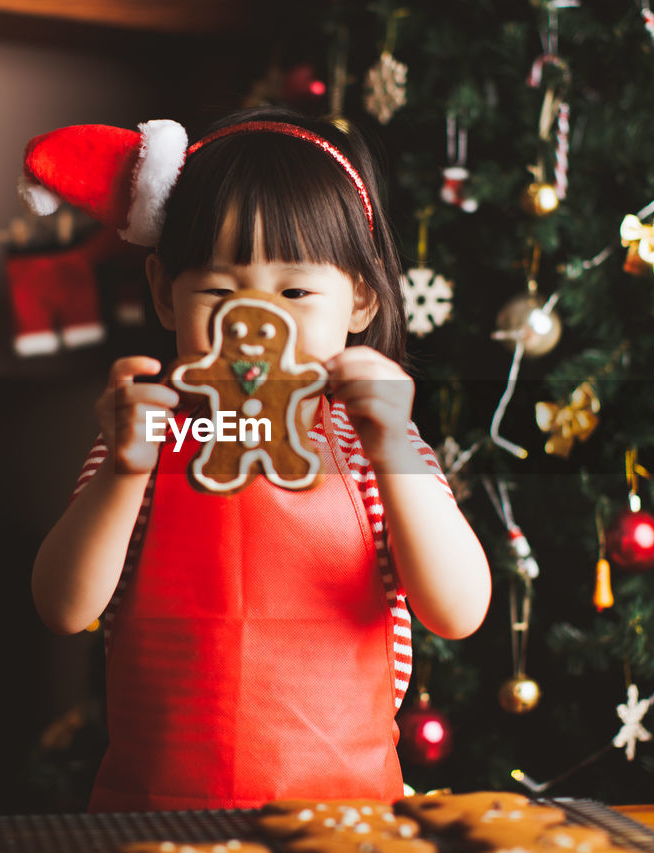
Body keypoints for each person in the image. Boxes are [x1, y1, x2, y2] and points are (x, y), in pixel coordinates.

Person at [28, 107, 492, 811]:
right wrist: (123, 471)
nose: (251, 320)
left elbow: (458, 610)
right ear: (162, 292)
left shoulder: (374, 446)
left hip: (348, 822)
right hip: (155, 819)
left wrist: (395, 448)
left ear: (361, 298)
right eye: (216, 290)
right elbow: (62, 607)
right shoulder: (147, 438)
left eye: (295, 292)